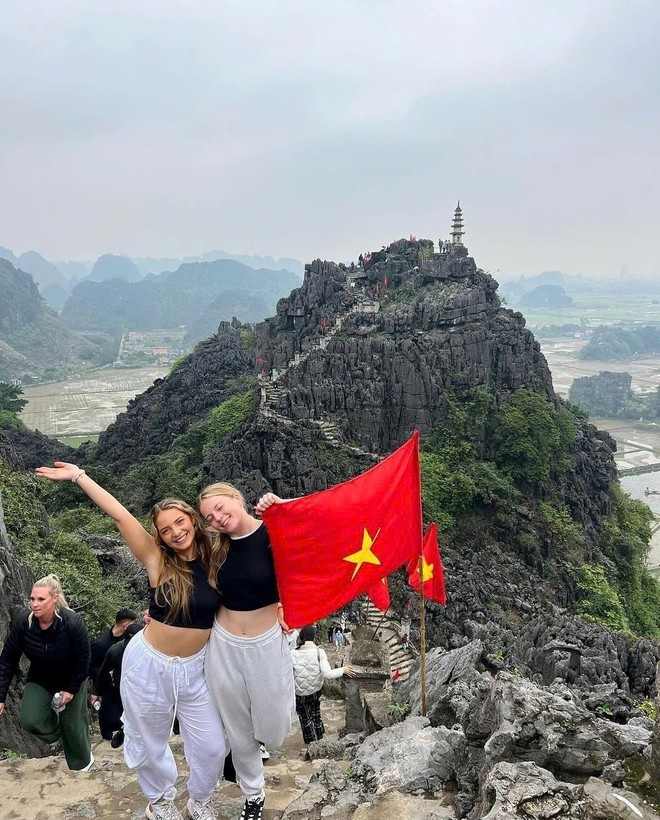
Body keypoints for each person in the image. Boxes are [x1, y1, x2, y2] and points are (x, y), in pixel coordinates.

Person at [36, 462, 226, 820]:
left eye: (180, 522)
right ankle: (161, 801)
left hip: (197, 669)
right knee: (150, 742)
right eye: (165, 529)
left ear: (192, 518)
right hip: (149, 664)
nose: (175, 532)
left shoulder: (218, 557)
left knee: (213, 746)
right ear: (159, 536)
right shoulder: (158, 561)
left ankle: (200, 799)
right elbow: (122, 517)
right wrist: (80, 477)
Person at [198, 484, 296, 820]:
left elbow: (319, 522)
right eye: (210, 517)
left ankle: (250, 751)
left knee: (275, 726)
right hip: (222, 644)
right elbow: (183, 576)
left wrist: (284, 506)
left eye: (222, 508)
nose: (219, 518)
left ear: (238, 499)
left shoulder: (273, 531)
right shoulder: (214, 549)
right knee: (237, 727)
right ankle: (253, 792)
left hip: (267, 641)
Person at [0, 574, 93, 771]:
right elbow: (7, 660)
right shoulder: (23, 623)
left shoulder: (72, 622)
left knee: (74, 726)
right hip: (41, 677)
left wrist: (71, 689)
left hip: (71, 678)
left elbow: (83, 659)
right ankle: (58, 733)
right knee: (30, 720)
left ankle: (83, 766)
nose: (35, 604)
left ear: (54, 598)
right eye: (32, 599)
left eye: (40, 599)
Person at [290, 625, 355, 743]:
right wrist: (343, 670)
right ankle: (319, 737)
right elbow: (328, 674)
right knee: (315, 712)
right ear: (313, 637)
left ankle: (310, 741)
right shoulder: (319, 652)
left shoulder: (292, 654)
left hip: (299, 692)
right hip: (315, 690)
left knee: (304, 717)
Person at [89, 608, 137, 743]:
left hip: (125, 685)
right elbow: (92, 667)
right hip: (107, 687)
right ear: (125, 625)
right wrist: (100, 686)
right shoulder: (100, 644)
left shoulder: (129, 640)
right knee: (108, 718)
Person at [95, 622, 143, 748]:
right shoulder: (116, 650)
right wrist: (96, 692)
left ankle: (128, 732)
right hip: (120, 685)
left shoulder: (150, 649)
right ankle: (123, 729)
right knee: (112, 719)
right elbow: (103, 670)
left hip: (143, 687)